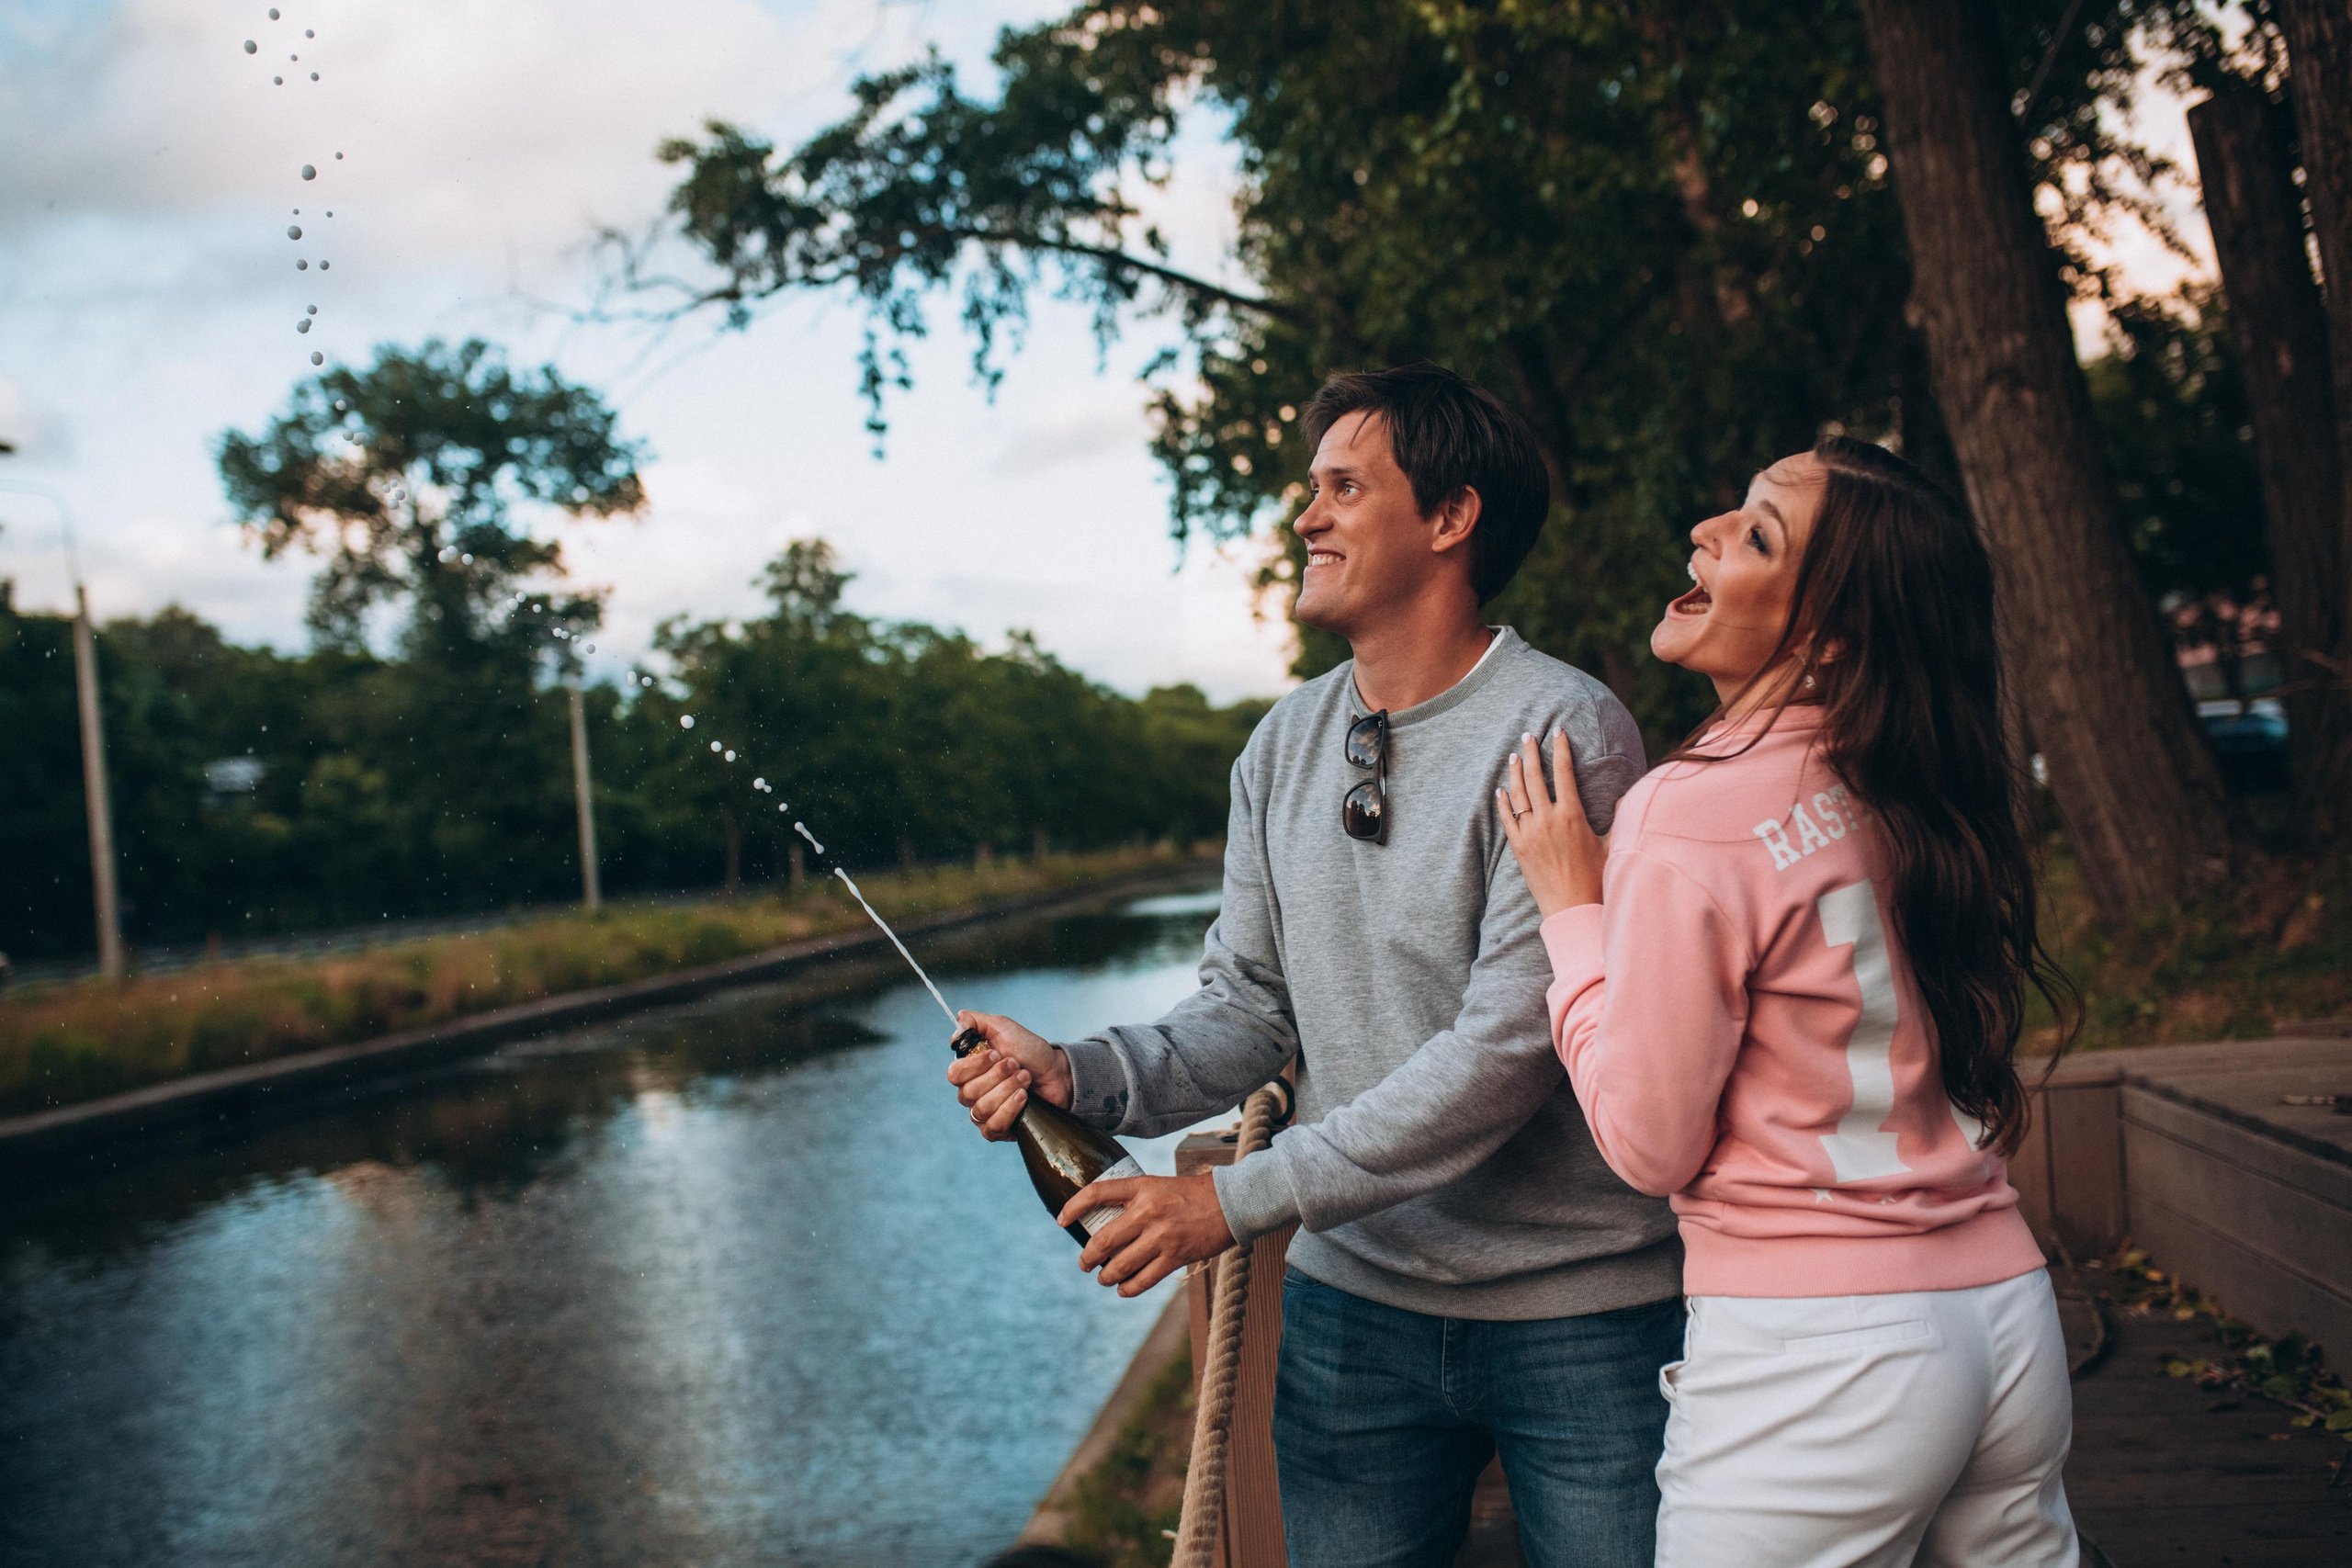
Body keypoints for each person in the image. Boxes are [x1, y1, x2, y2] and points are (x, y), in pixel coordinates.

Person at [949, 363, 1682, 1567]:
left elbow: (1507, 1046)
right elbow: (1246, 1010)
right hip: (1358, 1307)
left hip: (1582, 1308)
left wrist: (1228, 1199)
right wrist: (1078, 1074)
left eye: (1345, 485)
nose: (1307, 515)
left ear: (1451, 519)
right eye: (1312, 486)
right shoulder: (1281, 743)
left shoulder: (1564, 726)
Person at [1497, 435, 2081, 1566]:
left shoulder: (1690, 809)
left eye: (1756, 533)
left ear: (1823, 639)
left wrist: (1572, 911)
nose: (1707, 531)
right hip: (2004, 1318)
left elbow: (1648, 1142)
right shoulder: (1910, 783)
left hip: (1824, 1351)